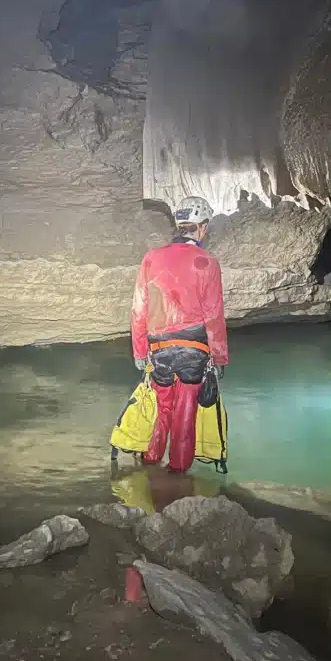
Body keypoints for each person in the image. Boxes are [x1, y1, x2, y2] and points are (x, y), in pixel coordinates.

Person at [130, 195, 228, 474]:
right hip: (194, 348)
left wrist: (139, 351)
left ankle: (149, 464)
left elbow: (139, 310)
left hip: (159, 347)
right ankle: (178, 475)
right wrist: (219, 358)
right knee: (186, 413)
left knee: (163, 409)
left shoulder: (151, 258)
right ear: (203, 227)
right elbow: (214, 315)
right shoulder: (207, 262)